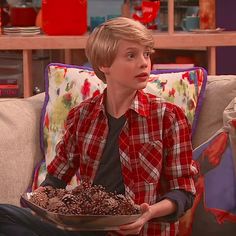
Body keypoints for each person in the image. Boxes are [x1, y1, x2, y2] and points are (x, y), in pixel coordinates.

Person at [0, 17, 197, 236]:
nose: (144, 63)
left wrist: (148, 213)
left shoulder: (168, 117)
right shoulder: (82, 116)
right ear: (105, 64)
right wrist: (41, 202)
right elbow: (56, 179)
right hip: (85, 229)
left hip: (141, 230)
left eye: (147, 54)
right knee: (4, 213)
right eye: (131, 55)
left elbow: (183, 192)